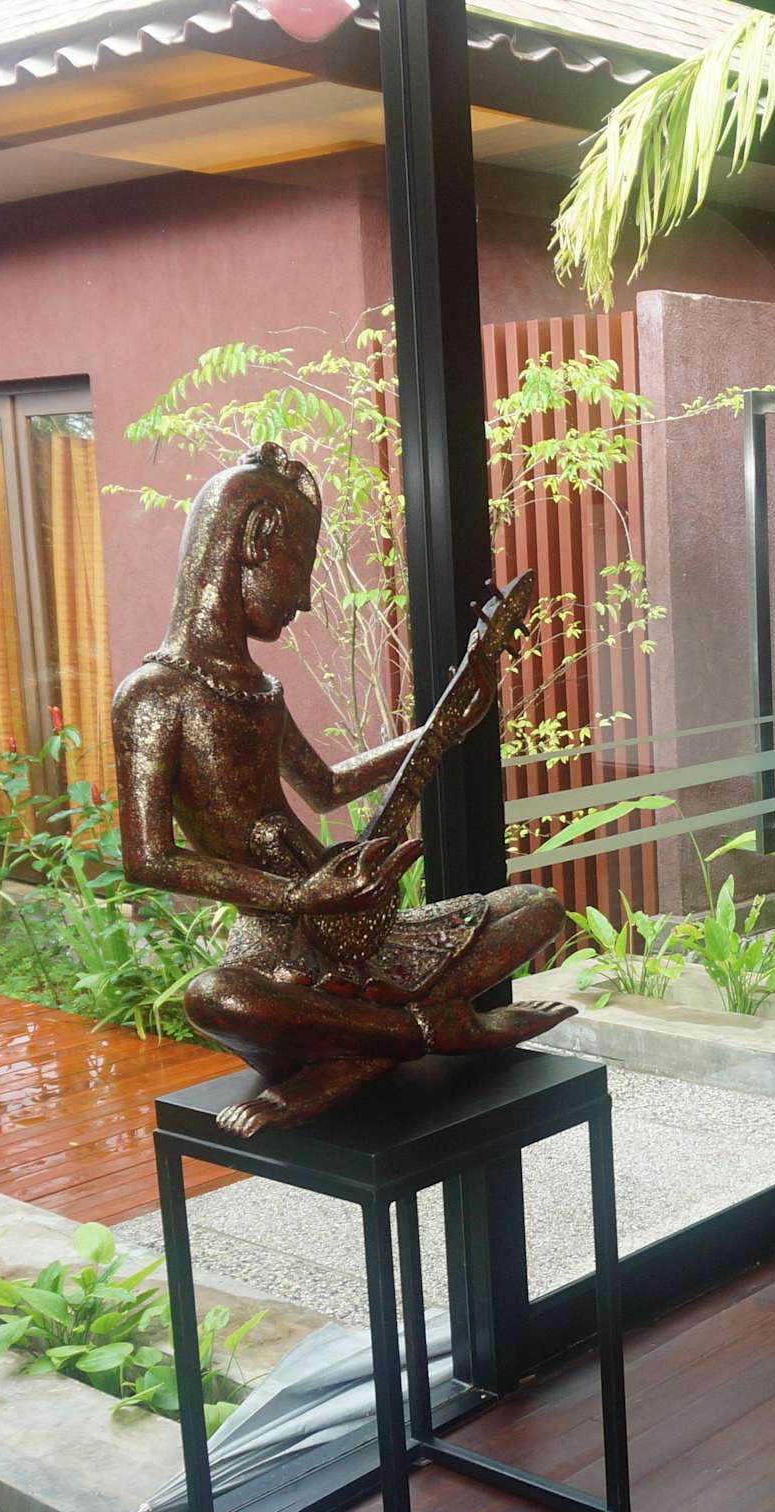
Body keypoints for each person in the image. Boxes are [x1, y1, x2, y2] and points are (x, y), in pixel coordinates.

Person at [113, 443, 572, 1136]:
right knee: (214, 998)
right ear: (254, 541)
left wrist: (441, 730)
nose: (302, 598)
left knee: (536, 907)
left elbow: (327, 788)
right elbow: (147, 858)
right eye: (299, 568)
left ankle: (354, 1057)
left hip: (347, 929)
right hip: (277, 961)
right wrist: (297, 898)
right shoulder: (155, 694)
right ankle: (433, 1031)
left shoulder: (260, 691)